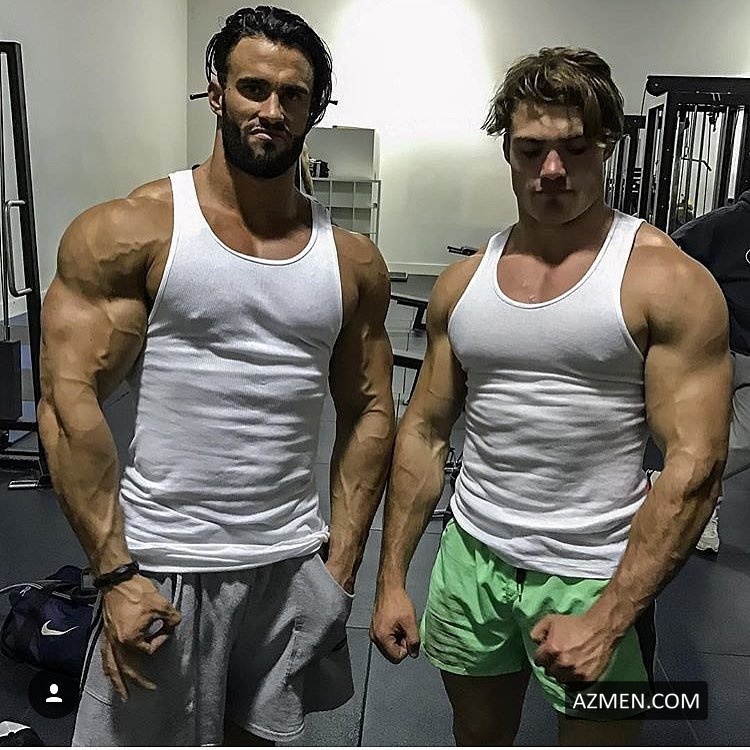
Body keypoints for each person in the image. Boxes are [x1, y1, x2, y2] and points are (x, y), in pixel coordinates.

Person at [38, 6, 395, 746]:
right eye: (253, 88)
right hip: (165, 565)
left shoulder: (351, 261)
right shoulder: (133, 230)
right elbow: (67, 403)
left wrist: (340, 566)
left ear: (315, 109)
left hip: (290, 564)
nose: (272, 110)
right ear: (217, 94)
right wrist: (115, 573)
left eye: (293, 95)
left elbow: (369, 409)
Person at [370, 47, 732, 746]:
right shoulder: (463, 284)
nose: (553, 169)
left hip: (596, 572)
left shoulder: (666, 281)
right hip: (471, 560)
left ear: (608, 145)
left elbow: (696, 465)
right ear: (508, 150)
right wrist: (391, 581)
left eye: (575, 148)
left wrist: (610, 618)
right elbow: (425, 431)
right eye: (532, 149)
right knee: (476, 738)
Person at [649, 191, 750, 553]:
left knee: (742, 440)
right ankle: (704, 514)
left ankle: (673, 480)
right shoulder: (728, 223)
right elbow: (672, 252)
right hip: (716, 347)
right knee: (705, 432)